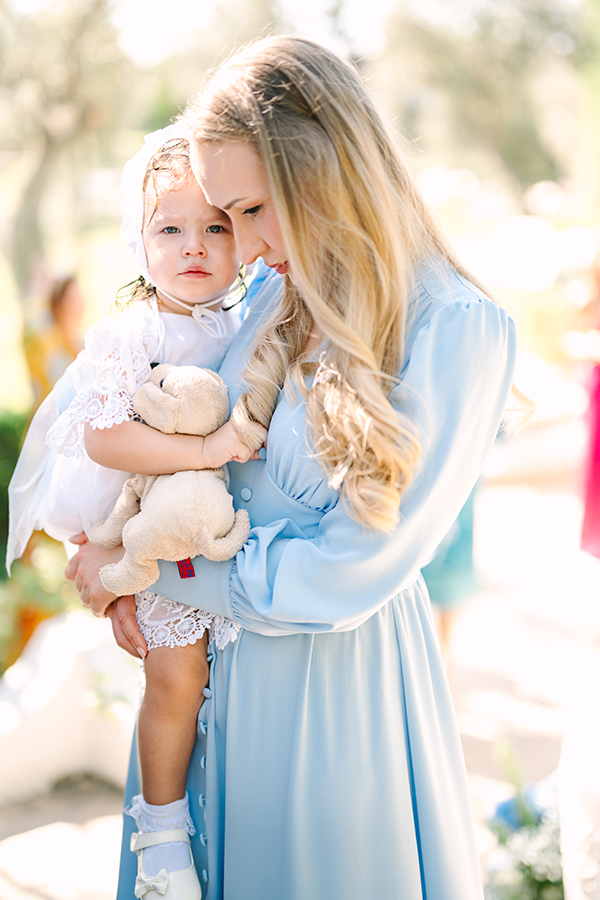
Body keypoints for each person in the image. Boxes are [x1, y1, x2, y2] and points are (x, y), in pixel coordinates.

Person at [67, 36, 518, 900]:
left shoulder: (454, 327)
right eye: (225, 216)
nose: (241, 243)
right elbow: (187, 462)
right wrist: (113, 545)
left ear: (328, 169)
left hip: (329, 712)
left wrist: (157, 569)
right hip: (199, 707)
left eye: (251, 209)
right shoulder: (275, 289)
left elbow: (344, 571)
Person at [8, 125, 264, 900]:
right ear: (137, 240)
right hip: (147, 521)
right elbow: (106, 437)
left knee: (230, 688)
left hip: (221, 535)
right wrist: (210, 447)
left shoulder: (245, 319)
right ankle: (160, 832)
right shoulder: (134, 331)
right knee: (177, 674)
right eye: (169, 229)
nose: (194, 246)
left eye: (215, 226)